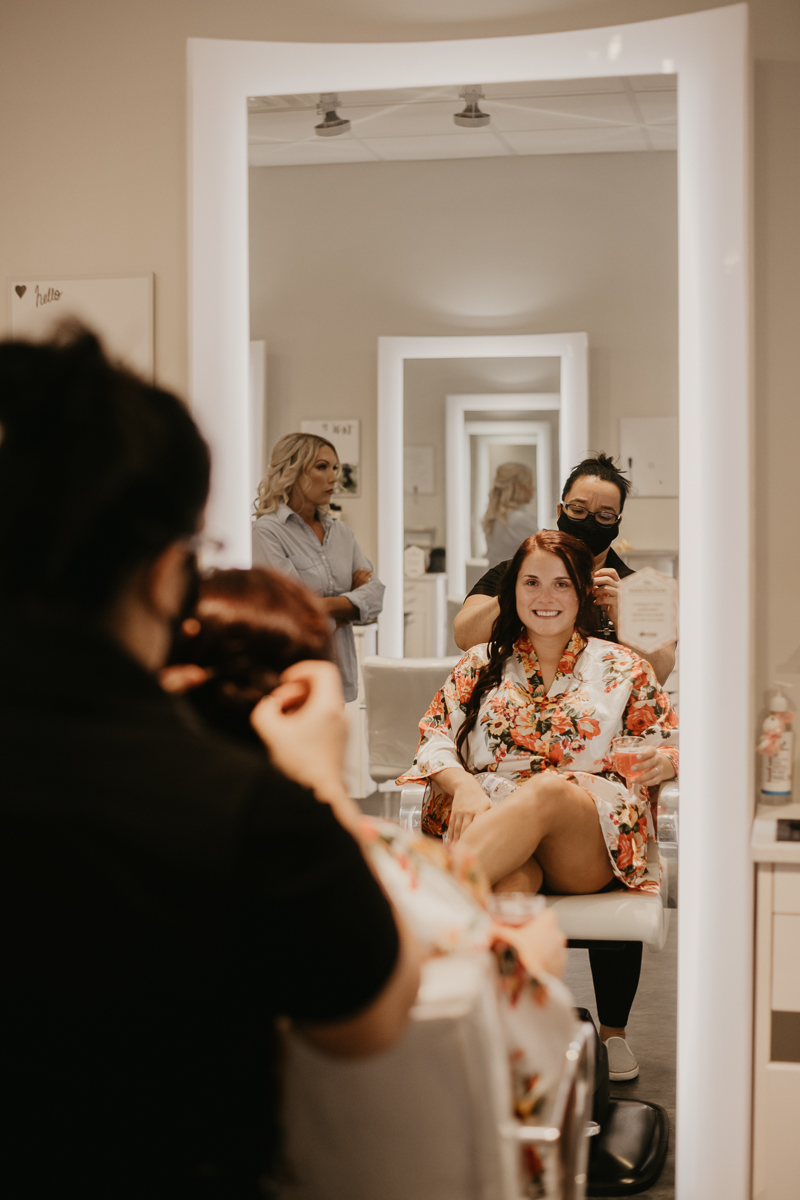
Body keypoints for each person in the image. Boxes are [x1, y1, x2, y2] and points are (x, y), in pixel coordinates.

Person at [0, 330, 419, 1200]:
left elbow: (366, 593)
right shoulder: (230, 807)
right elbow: (368, 1016)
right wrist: (308, 783)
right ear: (166, 578)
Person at [399, 529, 678, 1082]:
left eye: (560, 584)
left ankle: (412, 911)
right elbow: (433, 736)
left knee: (549, 790)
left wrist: (668, 761)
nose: (545, 596)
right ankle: (515, 1053)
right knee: (509, 889)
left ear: (581, 595)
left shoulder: (624, 665)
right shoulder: (480, 664)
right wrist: (466, 786)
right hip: (497, 822)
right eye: (531, 582)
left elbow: (667, 737)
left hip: (586, 836)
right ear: (511, 591)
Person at [455, 452, 676, 688]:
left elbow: (660, 672)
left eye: (604, 515)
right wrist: (518, 588)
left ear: (617, 523)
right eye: (578, 511)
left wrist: (628, 618)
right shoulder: (512, 574)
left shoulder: (642, 589)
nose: (590, 522)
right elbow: (464, 636)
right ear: (561, 511)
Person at [252, 432, 384, 702]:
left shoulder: (342, 532)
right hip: (292, 674)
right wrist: (350, 603)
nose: (333, 477)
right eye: (322, 467)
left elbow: (376, 594)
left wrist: (320, 605)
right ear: (293, 471)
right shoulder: (268, 531)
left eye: (335, 468)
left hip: (339, 673)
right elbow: (291, 609)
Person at [482, 461, 538, 568]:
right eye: (530, 483)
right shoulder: (519, 520)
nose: (533, 488)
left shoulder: (495, 518)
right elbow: (541, 557)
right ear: (520, 487)